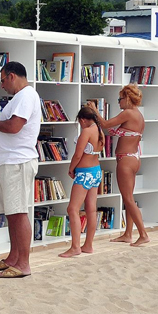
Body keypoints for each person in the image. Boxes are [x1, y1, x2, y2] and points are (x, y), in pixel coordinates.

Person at [0, 61, 41, 278]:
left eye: (2, 80)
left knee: (19, 213)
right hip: (9, 162)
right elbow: (10, 129)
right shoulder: (19, 98)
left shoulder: (26, 96)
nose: (1, 85)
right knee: (12, 213)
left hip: (17, 162)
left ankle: (23, 264)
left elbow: (13, 127)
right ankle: (13, 258)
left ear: (12, 76)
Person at [88, 84, 149, 246]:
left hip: (126, 160)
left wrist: (94, 110)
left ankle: (143, 234)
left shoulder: (128, 113)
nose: (118, 103)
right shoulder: (138, 115)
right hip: (134, 157)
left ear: (127, 98)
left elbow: (106, 125)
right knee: (128, 198)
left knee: (128, 198)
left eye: (119, 99)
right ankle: (128, 233)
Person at [59, 107, 105, 258]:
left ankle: (75, 247)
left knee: (73, 209)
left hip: (84, 174)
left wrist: (71, 169)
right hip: (96, 171)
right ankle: (88, 245)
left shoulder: (87, 132)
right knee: (91, 209)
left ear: (83, 120)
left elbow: (78, 154)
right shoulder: (100, 131)